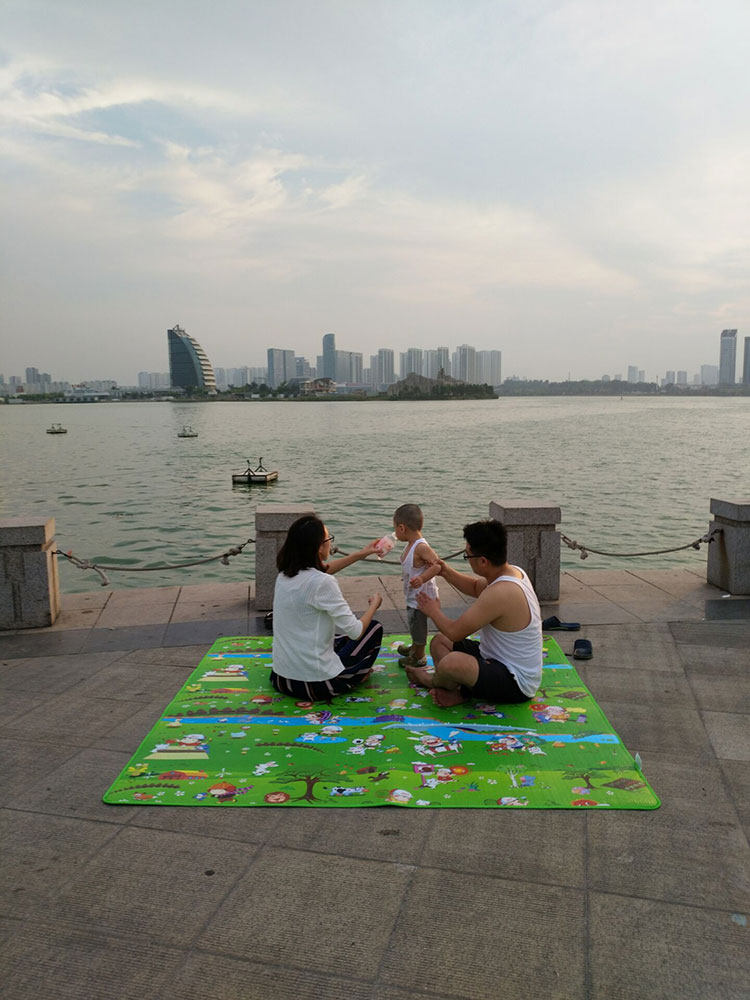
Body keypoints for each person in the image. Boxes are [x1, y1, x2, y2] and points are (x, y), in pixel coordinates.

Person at [405, 519, 543, 708]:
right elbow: (476, 587)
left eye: (467, 556)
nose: (467, 559)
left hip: (515, 681)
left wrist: (432, 610)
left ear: (483, 561)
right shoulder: (512, 572)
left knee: (451, 663)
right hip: (492, 658)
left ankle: (431, 681)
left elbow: (455, 632)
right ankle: (458, 692)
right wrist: (445, 571)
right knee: (439, 642)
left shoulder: (502, 592)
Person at [270, 515, 384, 701]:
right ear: (318, 547)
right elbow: (355, 631)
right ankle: (355, 676)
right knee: (373, 628)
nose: (330, 543)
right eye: (328, 539)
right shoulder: (324, 583)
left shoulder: (284, 574)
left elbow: (322, 570)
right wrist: (374, 606)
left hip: (281, 678)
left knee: (337, 639)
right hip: (315, 685)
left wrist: (361, 554)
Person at [391, 503, 441, 668]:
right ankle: (415, 647)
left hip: (422, 599)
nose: (395, 532)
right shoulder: (411, 545)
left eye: (395, 528)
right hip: (414, 596)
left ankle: (418, 657)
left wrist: (422, 578)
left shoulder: (420, 546)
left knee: (418, 626)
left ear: (402, 528)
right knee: (413, 624)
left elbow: (437, 565)